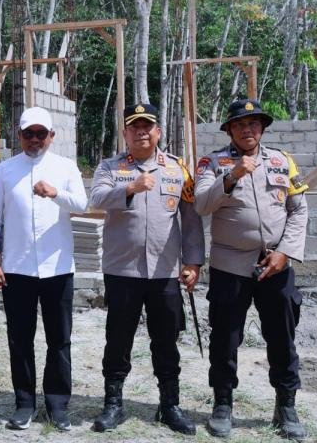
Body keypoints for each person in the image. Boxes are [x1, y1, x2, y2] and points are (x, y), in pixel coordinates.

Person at [194, 98, 309, 440]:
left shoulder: (281, 161)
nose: (248, 129)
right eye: (241, 124)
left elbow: (299, 210)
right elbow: (201, 205)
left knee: (282, 337)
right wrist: (230, 177)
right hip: (230, 265)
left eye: (255, 123)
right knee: (226, 338)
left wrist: (285, 253)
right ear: (229, 128)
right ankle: (223, 403)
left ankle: (286, 406)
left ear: (262, 128)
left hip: (276, 265)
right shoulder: (212, 163)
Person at [89, 102, 204, 436]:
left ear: (158, 132)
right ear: (125, 133)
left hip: (165, 271)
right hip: (122, 270)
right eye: (134, 127)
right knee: (118, 338)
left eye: (147, 126)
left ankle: (169, 405)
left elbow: (192, 220)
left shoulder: (177, 169)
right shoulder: (111, 167)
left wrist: (193, 262)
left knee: (166, 340)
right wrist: (129, 188)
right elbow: (96, 198)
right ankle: (113, 404)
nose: (141, 132)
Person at [0, 107, 87, 431]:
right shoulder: (5, 170)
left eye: (41, 134)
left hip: (57, 268)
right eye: (28, 133)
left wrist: (55, 193)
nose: (35, 139)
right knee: (20, 339)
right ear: (19, 135)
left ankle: (57, 404)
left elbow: (83, 205)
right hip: (17, 268)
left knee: (59, 339)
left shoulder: (65, 167)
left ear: (52, 136)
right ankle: (24, 403)